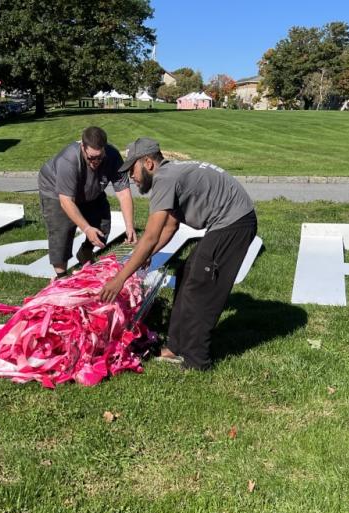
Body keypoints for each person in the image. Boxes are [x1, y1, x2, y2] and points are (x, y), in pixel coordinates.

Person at [100, 137, 257, 371]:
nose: (131, 177)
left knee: (199, 286)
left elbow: (151, 236)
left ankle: (197, 361)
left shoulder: (165, 179)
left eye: (132, 169)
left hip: (235, 223)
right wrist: (147, 254)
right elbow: (170, 226)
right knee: (185, 272)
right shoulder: (170, 174)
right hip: (227, 222)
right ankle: (176, 347)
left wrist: (119, 279)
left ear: (148, 163)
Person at [38, 126, 137, 278]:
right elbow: (66, 201)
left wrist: (129, 226)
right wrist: (86, 228)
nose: (95, 162)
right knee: (62, 229)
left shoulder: (113, 156)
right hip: (56, 191)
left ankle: (85, 251)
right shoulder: (69, 159)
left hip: (90, 189)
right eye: (91, 157)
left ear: (104, 149)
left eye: (99, 157)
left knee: (102, 224)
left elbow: (123, 193)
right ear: (82, 147)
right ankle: (62, 276)